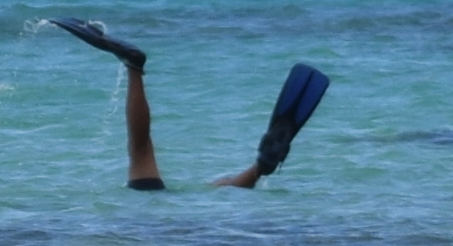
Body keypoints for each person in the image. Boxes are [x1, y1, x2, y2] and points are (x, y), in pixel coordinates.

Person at [43, 20, 331, 190]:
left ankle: (134, 66)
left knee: (143, 148)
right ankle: (259, 168)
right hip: (166, 206)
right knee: (143, 148)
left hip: (145, 213)